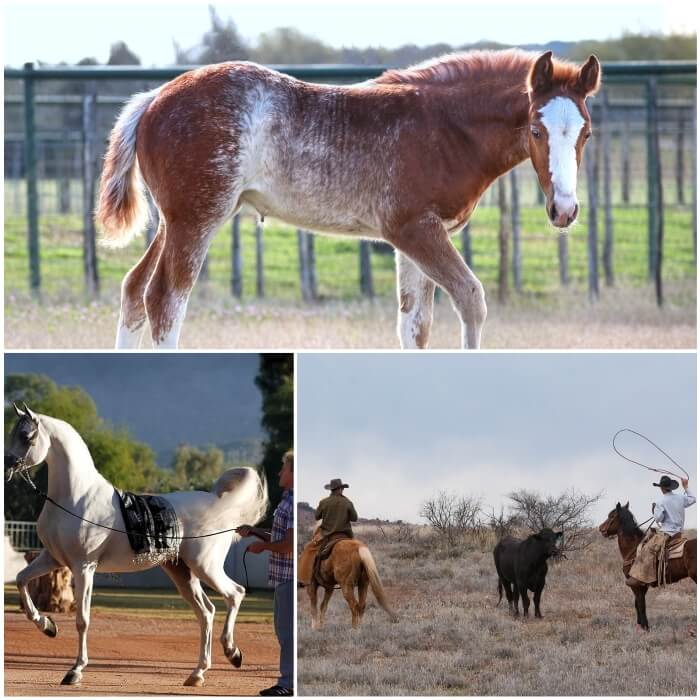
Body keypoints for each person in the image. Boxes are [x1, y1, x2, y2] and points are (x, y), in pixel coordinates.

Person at [236, 450, 294, 697]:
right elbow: (281, 537)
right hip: (283, 576)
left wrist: (264, 546)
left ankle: (288, 684)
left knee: (288, 633)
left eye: (285, 468)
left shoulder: (292, 503)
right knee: (284, 631)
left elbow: (289, 545)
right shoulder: (287, 500)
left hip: (290, 577)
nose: (280, 472)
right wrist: (255, 532)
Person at [627, 475, 695, 587]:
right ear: (671, 487)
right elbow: (693, 499)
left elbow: (658, 519)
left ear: (661, 488)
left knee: (647, 549)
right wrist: (686, 487)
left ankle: (643, 578)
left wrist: (655, 510)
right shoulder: (680, 498)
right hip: (678, 533)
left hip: (667, 533)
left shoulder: (661, 501)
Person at [298, 478, 358, 586]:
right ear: (340, 489)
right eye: (342, 489)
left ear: (331, 489)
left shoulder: (324, 502)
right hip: (346, 535)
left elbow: (317, 516)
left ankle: (305, 578)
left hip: (327, 535)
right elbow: (354, 518)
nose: (343, 491)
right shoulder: (347, 502)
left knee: (309, 549)